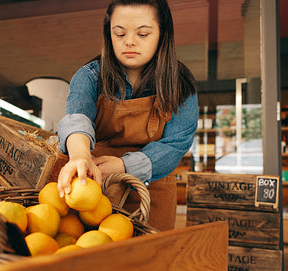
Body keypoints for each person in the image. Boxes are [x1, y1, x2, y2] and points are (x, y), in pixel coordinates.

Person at [56, 0, 198, 231]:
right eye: (119, 33)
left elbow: (175, 144)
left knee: (151, 259)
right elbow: (77, 117)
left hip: (154, 189)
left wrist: (123, 165)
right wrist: (80, 156)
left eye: (142, 34)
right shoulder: (90, 77)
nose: (129, 41)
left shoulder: (179, 83)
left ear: (163, 35)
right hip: (96, 183)